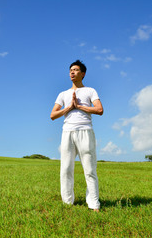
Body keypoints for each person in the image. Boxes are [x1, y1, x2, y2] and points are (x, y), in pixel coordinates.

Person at [50, 60, 103, 212]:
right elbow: (53, 115)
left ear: (83, 74)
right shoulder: (63, 94)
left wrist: (79, 106)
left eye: (76, 70)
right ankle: (67, 202)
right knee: (66, 168)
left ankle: (94, 204)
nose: (72, 72)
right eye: (70, 70)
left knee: (90, 169)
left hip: (85, 131)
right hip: (67, 133)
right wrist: (69, 107)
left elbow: (99, 109)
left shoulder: (90, 91)